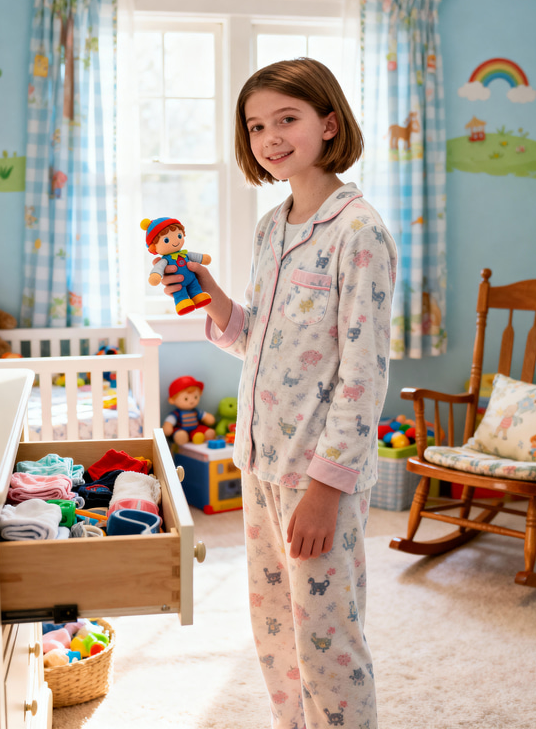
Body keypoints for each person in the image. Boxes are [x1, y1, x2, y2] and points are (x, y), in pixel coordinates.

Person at [162, 57, 397, 729]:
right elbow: (259, 342)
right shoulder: (273, 227)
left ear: (328, 123)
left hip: (317, 474)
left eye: (286, 120)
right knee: (275, 630)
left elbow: (363, 371)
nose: (270, 137)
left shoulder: (359, 232)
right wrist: (215, 299)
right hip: (260, 461)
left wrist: (327, 487)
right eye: (256, 124)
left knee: (328, 636)